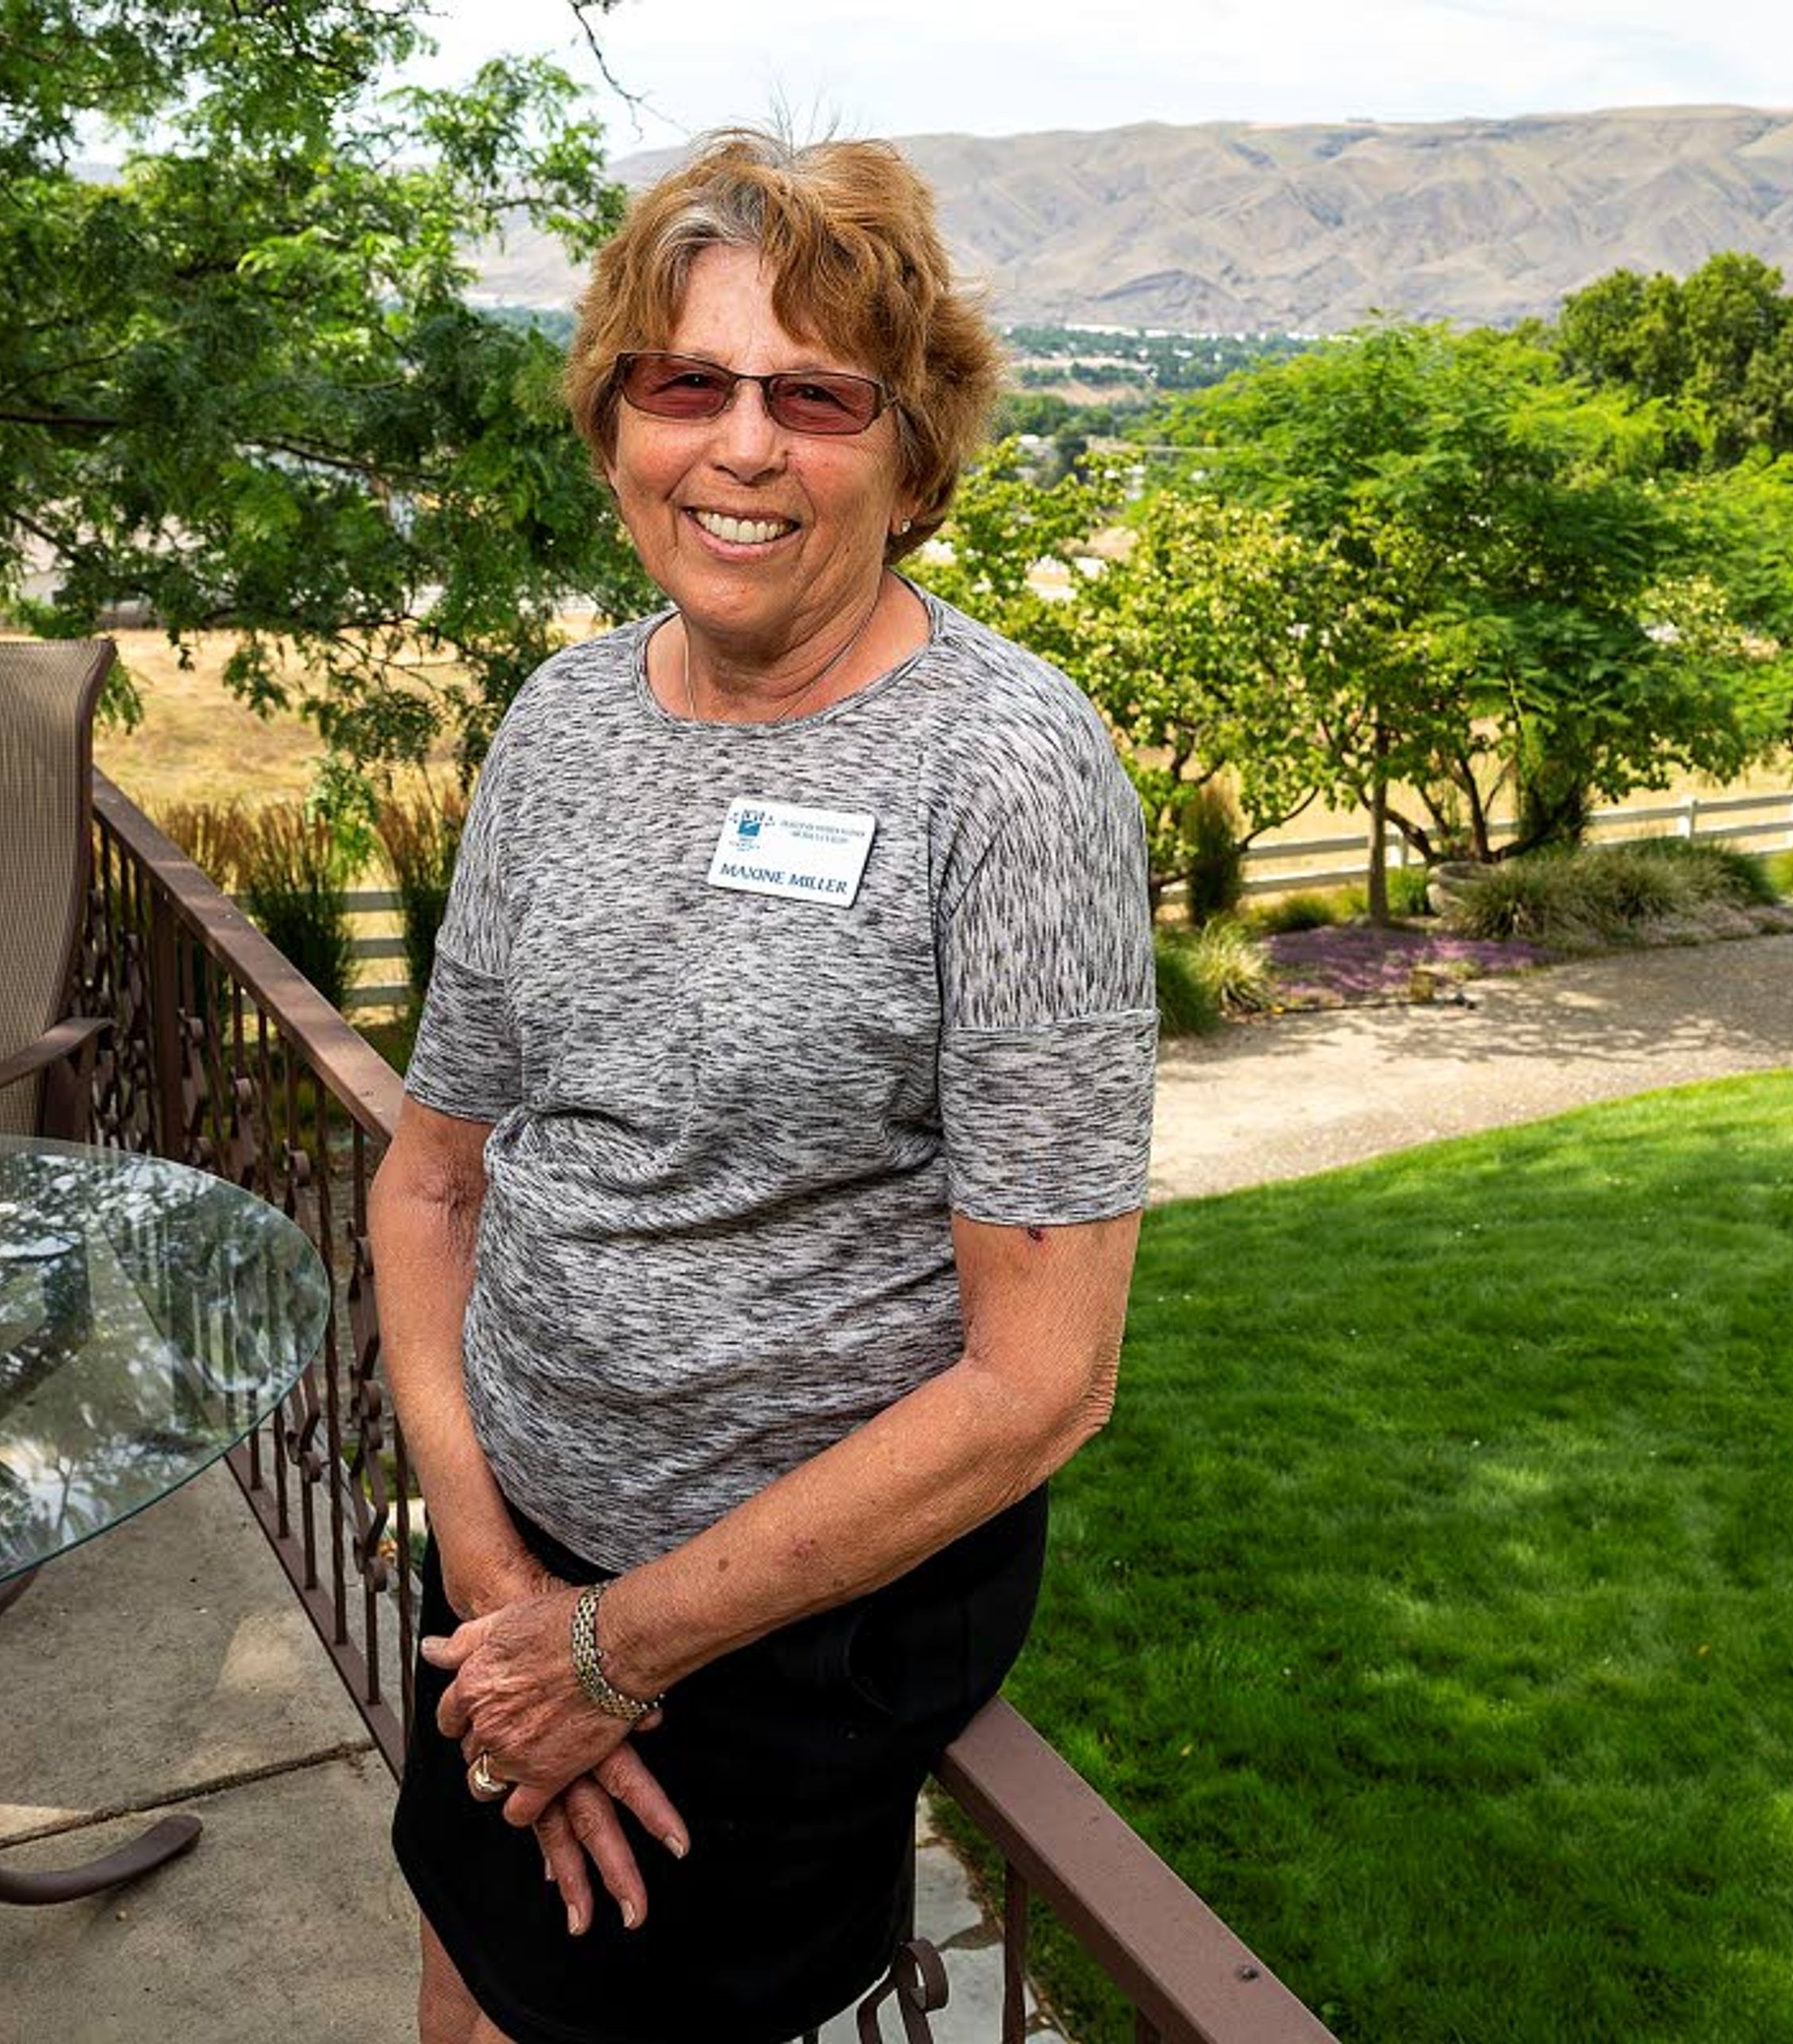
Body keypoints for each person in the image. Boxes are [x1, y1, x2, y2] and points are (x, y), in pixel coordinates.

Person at [370, 129, 1158, 2044]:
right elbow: (431, 1182)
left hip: (787, 1636)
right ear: (616, 420)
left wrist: (612, 1651)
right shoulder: (559, 723)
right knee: (468, 1978)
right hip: (509, 1560)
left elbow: (1046, 1372)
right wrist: (497, 1587)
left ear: (910, 446)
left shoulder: (1008, 774)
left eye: (812, 392)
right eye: (685, 382)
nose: (741, 445)